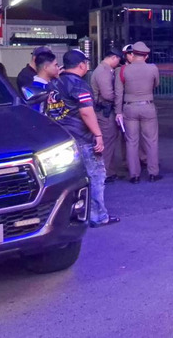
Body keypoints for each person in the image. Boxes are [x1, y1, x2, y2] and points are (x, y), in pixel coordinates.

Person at [46, 50, 120, 227]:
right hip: (81, 138)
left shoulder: (54, 83)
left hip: (61, 139)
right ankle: (97, 216)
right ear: (81, 65)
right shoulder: (79, 85)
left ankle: (69, 216)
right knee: (95, 176)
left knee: (67, 179)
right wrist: (98, 135)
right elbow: (86, 112)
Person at [115, 41, 161, 183]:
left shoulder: (123, 70)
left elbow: (118, 93)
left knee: (131, 141)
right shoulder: (153, 68)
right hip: (148, 106)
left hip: (129, 107)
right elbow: (156, 84)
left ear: (133, 54)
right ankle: (153, 172)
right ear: (146, 56)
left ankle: (134, 175)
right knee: (151, 140)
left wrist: (118, 112)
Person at [92, 49, 125, 183]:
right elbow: (107, 94)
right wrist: (120, 99)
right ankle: (104, 174)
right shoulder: (103, 72)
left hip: (105, 111)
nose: (118, 63)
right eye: (118, 60)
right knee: (107, 142)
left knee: (110, 141)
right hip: (104, 111)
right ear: (114, 58)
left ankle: (110, 172)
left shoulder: (104, 70)